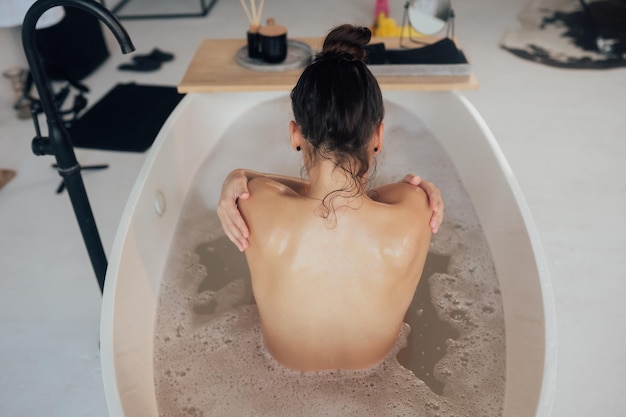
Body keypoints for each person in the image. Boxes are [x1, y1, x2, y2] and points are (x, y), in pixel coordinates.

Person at [217, 24, 444, 371]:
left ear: (295, 134)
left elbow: (281, 188)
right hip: (385, 386)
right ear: (378, 135)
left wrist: (239, 175)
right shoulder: (416, 207)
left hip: (278, 385)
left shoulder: (255, 202)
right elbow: (358, 196)